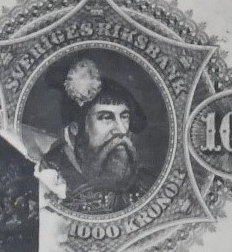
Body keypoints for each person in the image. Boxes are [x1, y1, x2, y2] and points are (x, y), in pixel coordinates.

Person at [38, 56, 152, 214]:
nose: (121, 130)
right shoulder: (47, 177)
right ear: (75, 128)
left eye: (124, 116)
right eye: (106, 117)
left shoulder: (143, 182)